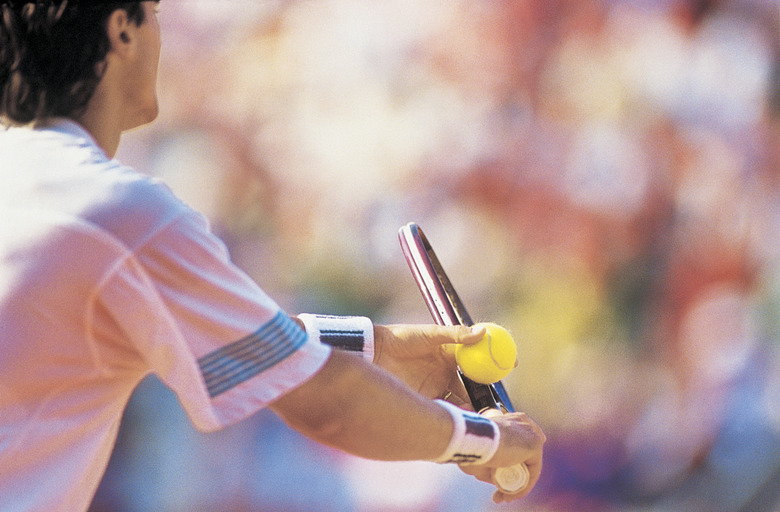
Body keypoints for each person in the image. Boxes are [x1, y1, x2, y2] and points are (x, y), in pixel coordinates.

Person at [0, 1, 545, 510]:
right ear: (122, 29)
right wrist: (489, 440)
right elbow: (326, 402)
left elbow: (227, 338)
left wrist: (374, 345)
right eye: (156, 12)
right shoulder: (123, 211)